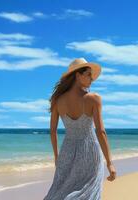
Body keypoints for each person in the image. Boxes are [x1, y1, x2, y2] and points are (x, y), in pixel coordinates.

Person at [43, 57, 116, 200]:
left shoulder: (58, 100)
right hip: (90, 152)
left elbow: (52, 131)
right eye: (88, 74)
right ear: (77, 75)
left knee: (59, 191)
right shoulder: (94, 98)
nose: (92, 79)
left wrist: (57, 156)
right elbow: (101, 132)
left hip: (67, 151)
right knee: (88, 193)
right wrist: (110, 163)